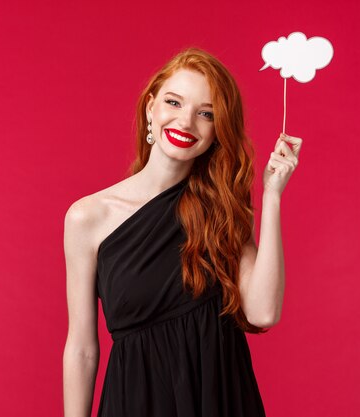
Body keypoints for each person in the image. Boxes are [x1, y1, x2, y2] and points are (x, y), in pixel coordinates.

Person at [63, 47, 302, 417]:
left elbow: (263, 312)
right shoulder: (87, 217)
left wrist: (272, 196)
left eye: (205, 113)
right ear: (150, 108)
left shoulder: (223, 210)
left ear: (217, 130)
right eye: (174, 103)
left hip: (220, 401)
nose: (186, 122)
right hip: (137, 403)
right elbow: (81, 348)